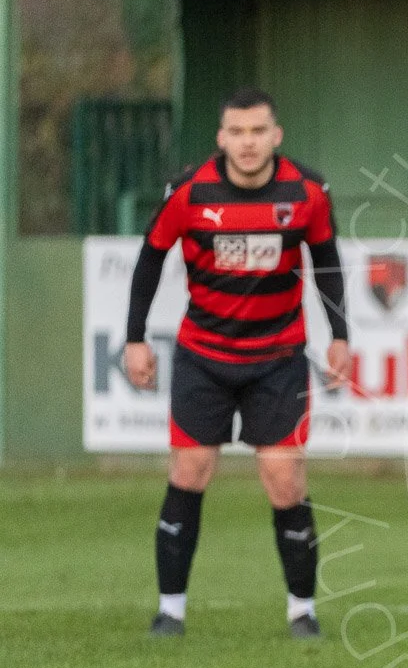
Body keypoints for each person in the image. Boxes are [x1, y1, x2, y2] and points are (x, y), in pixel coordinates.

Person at [124, 87, 350, 638]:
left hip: (278, 358)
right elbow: (150, 259)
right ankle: (170, 611)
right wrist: (135, 338)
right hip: (203, 356)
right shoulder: (188, 192)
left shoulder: (308, 192)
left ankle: (302, 611)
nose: (247, 143)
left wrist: (340, 335)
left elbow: (327, 264)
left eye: (258, 132)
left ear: (276, 135)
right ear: (221, 137)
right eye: (237, 132)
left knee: (284, 481)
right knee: (188, 472)